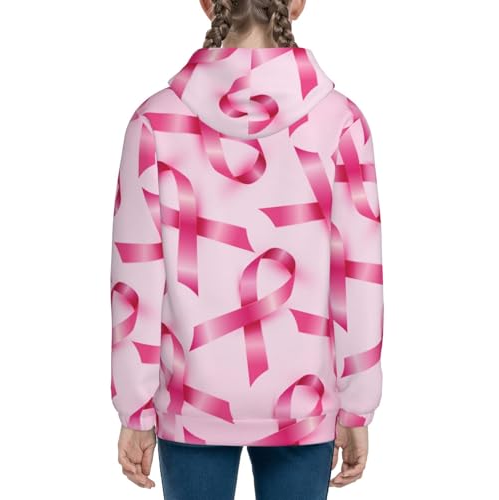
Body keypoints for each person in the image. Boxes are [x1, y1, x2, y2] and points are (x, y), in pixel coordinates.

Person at [109, 0, 384, 498]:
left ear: (207, 3)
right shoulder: (339, 122)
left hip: (191, 402)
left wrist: (136, 408)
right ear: (296, 4)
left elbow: (136, 276)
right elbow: (358, 276)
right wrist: (357, 404)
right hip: (304, 405)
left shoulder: (155, 122)